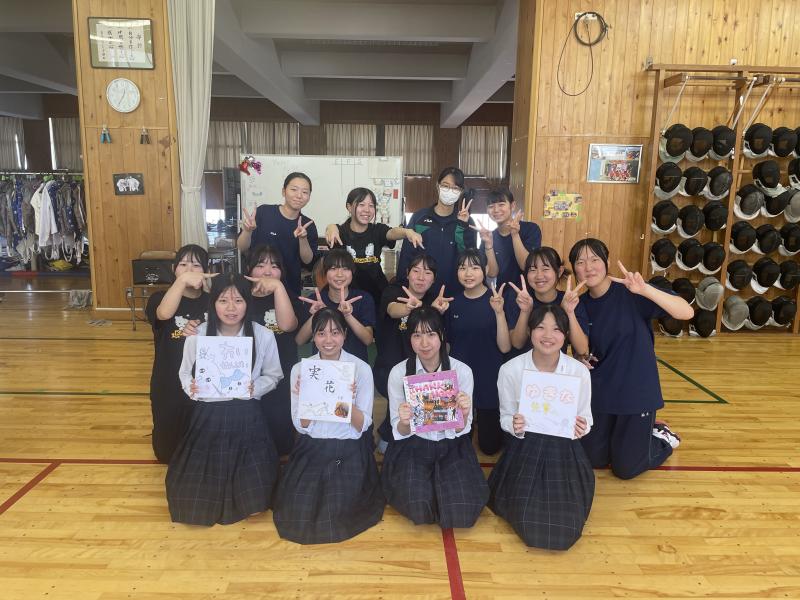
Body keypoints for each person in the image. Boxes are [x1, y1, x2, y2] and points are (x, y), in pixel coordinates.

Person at [569, 238, 692, 479]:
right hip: (602, 393)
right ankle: (638, 433)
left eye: (594, 259)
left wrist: (645, 290)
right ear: (574, 269)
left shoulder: (632, 292)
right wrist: (570, 316)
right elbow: (582, 350)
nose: (588, 267)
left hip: (636, 393)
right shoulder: (580, 304)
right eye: (580, 262)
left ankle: (661, 438)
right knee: (593, 459)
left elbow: (686, 312)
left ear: (606, 261)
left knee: (626, 468)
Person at [166, 273, 283, 526]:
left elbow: (274, 375)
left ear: (248, 303)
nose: (231, 308)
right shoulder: (198, 334)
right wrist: (192, 388)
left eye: (238, 301)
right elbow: (184, 373)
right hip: (208, 414)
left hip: (247, 413)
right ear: (213, 303)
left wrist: (255, 387)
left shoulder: (263, 335)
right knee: (192, 503)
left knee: (255, 503)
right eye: (223, 301)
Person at [273, 308, 384, 544]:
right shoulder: (301, 370)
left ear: (345, 334)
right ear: (313, 337)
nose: (328, 340)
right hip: (312, 446)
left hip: (348, 447)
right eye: (321, 333)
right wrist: (306, 397)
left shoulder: (360, 369)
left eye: (335, 332)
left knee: (338, 511)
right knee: (299, 510)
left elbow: (362, 426)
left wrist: (346, 401)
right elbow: (301, 426)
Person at [489, 304, 595, 550]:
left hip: (564, 448)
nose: (548, 336)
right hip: (525, 446)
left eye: (556, 329)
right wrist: (514, 424)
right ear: (529, 331)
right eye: (540, 328)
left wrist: (582, 428)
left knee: (565, 526)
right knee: (527, 518)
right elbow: (505, 417)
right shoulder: (510, 370)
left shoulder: (579, 371)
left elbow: (586, 418)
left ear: (565, 335)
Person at [381, 306, 488, 529]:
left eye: (430, 334)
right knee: (418, 507)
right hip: (413, 445)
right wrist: (404, 422)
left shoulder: (462, 371)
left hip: (452, 445)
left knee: (462, 509)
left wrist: (463, 414)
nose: (424, 343)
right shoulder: (399, 373)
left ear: (441, 335)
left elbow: (462, 429)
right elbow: (399, 430)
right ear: (409, 339)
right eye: (417, 335)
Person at [372, 254, 453, 448]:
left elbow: (444, 342)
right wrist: (413, 308)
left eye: (427, 273)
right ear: (407, 273)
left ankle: (416, 436)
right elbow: (393, 309)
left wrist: (435, 311)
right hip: (390, 367)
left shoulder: (436, 300)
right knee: (400, 403)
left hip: (423, 369)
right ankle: (390, 433)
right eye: (416, 271)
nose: (421, 277)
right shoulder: (394, 291)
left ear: (434, 279)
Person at [145, 244, 215, 463]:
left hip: (204, 385)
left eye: (196, 265)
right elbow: (164, 314)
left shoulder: (213, 302)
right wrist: (183, 281)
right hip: (169, 383)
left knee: (204, 451)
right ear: (174, 269)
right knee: (166, 454)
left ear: (206, 271)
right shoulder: (159, 298)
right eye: (183, 265)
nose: (189, 270)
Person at [446, 249, 511, 456]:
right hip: (460, 380)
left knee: (490, 447)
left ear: (485, 269)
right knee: (458, 442)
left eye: (474, 267)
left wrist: (499, 313)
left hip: (489, 377)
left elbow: (505, 347)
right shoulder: (452, 303)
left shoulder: (496, 300)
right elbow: (447, 345)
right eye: (462, 268)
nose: (468, 273)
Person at [244, 244, 301, 456]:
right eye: (260, 265)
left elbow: (287, 325)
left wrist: (278, 288)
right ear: (249, 269)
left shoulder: (289, 296)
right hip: (246, 376)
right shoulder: (239, 296)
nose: (267, 272)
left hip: (281, 376)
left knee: (280, 439)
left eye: (274, 266)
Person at [324, 187, 424, 307]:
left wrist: (407, 232)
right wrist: (330, 227)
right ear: (349, 207)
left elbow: (392, 232)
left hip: (376, 292)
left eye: (371, 206)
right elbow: (331, 234)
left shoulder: (377, 230)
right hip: (346, 294)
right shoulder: (339, 233)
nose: (367, 210)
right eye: (361, 204)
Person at [395, 167, 477, 296]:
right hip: (421, 293)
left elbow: (470, 258)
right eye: (445, 186)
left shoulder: (467, 222)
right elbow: (407, 255)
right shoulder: (419, 217)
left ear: (461, 192)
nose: (449, 191)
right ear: (437, 186)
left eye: (455, 188)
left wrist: (463, 226)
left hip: (455, 293)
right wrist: (402, 287)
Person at [237, 172, 319, 296]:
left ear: (309, 197)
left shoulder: (308, 225)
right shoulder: (264, 213)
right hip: (256, 286)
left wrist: (303, 238)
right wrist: (247, 231)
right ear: (283, 191)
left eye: (305, 192)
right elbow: (241, 247)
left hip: (289, 289)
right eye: (294, 190)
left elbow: (307, 261)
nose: (299, 195)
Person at [506, 247, 589, 358]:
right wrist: (525, 311)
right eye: (532, 270)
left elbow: (582, 349)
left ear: (559, 271)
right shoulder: (520, 299)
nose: (539, 276)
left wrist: (569, 312)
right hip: (524, 366)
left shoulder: (571, 301)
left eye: (545, 269)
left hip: (556, 366)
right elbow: (517, 344)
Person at [295, 248, 375, 363]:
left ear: (352, 272)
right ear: (325, 273)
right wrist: (316, 315)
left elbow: (368, 340)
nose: (339, 274)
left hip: (354, 366)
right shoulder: (315, 300)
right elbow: (300, 340)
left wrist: (347, 315)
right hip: (322, 366)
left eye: (345, 269)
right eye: (333, 268)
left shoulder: (363, 299)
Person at [472, 187, 541, 287]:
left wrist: (515, 235)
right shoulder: (488, 238)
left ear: (512, 206)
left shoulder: (531, 229)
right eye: (491, 206)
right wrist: (488, 245)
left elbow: (526, 266)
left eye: (501, 204)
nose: (496, 210)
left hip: (528, 292)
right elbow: (492, 273)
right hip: (502, 292)